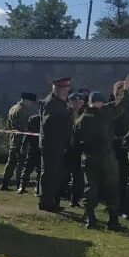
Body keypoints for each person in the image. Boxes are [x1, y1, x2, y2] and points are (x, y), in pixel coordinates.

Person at [71, 81, 129, 230]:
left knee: (96, 189)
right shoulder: (104, 116)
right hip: (101, 157)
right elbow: (122, 106)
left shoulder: (82, 119)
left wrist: (125, 91)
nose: (99, 105)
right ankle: (102, 220)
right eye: (98, 103)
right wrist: (126, 91)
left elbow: (75, 142)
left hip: (92, 158)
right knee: (99, 189)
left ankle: (95, 219)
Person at [38, 77, 73, 212]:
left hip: (59, 144)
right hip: (51, 144)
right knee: (49, 174)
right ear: (56, 89)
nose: (65, 92)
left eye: (67, 89)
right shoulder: (51, 103)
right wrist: (66, 119)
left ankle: (51, 200)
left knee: (56, 174)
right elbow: (49, 124)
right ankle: (45, 202)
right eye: (63, 89)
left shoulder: (61, 102)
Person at [0, 92, 37, 191]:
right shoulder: (22, 111)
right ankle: (19, 185)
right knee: (21, 163)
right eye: (31, 102)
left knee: (11, 162)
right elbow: (23, 127)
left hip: (13, 139)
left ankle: (5, 183)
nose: (31, 104)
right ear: (26, 100)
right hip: (20, 140)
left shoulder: (13, 108)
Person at [63, 91, 87, 207]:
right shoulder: (65, 113)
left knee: (78, 176)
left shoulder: (85, 114)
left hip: (78, 148)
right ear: (70, 102)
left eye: (80, 102)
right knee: (63, 174)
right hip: (65, 148)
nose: (78, 104)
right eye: (75, 102)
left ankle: (74, 199)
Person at [19, 112, 41, 195]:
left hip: (43, 148)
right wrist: (24, 146)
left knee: (40, 170)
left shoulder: (49, 119)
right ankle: (22, 186)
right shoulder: (34, 119)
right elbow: (27, 133)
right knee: (28, 167)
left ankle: (38, 188)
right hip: (33, 147)